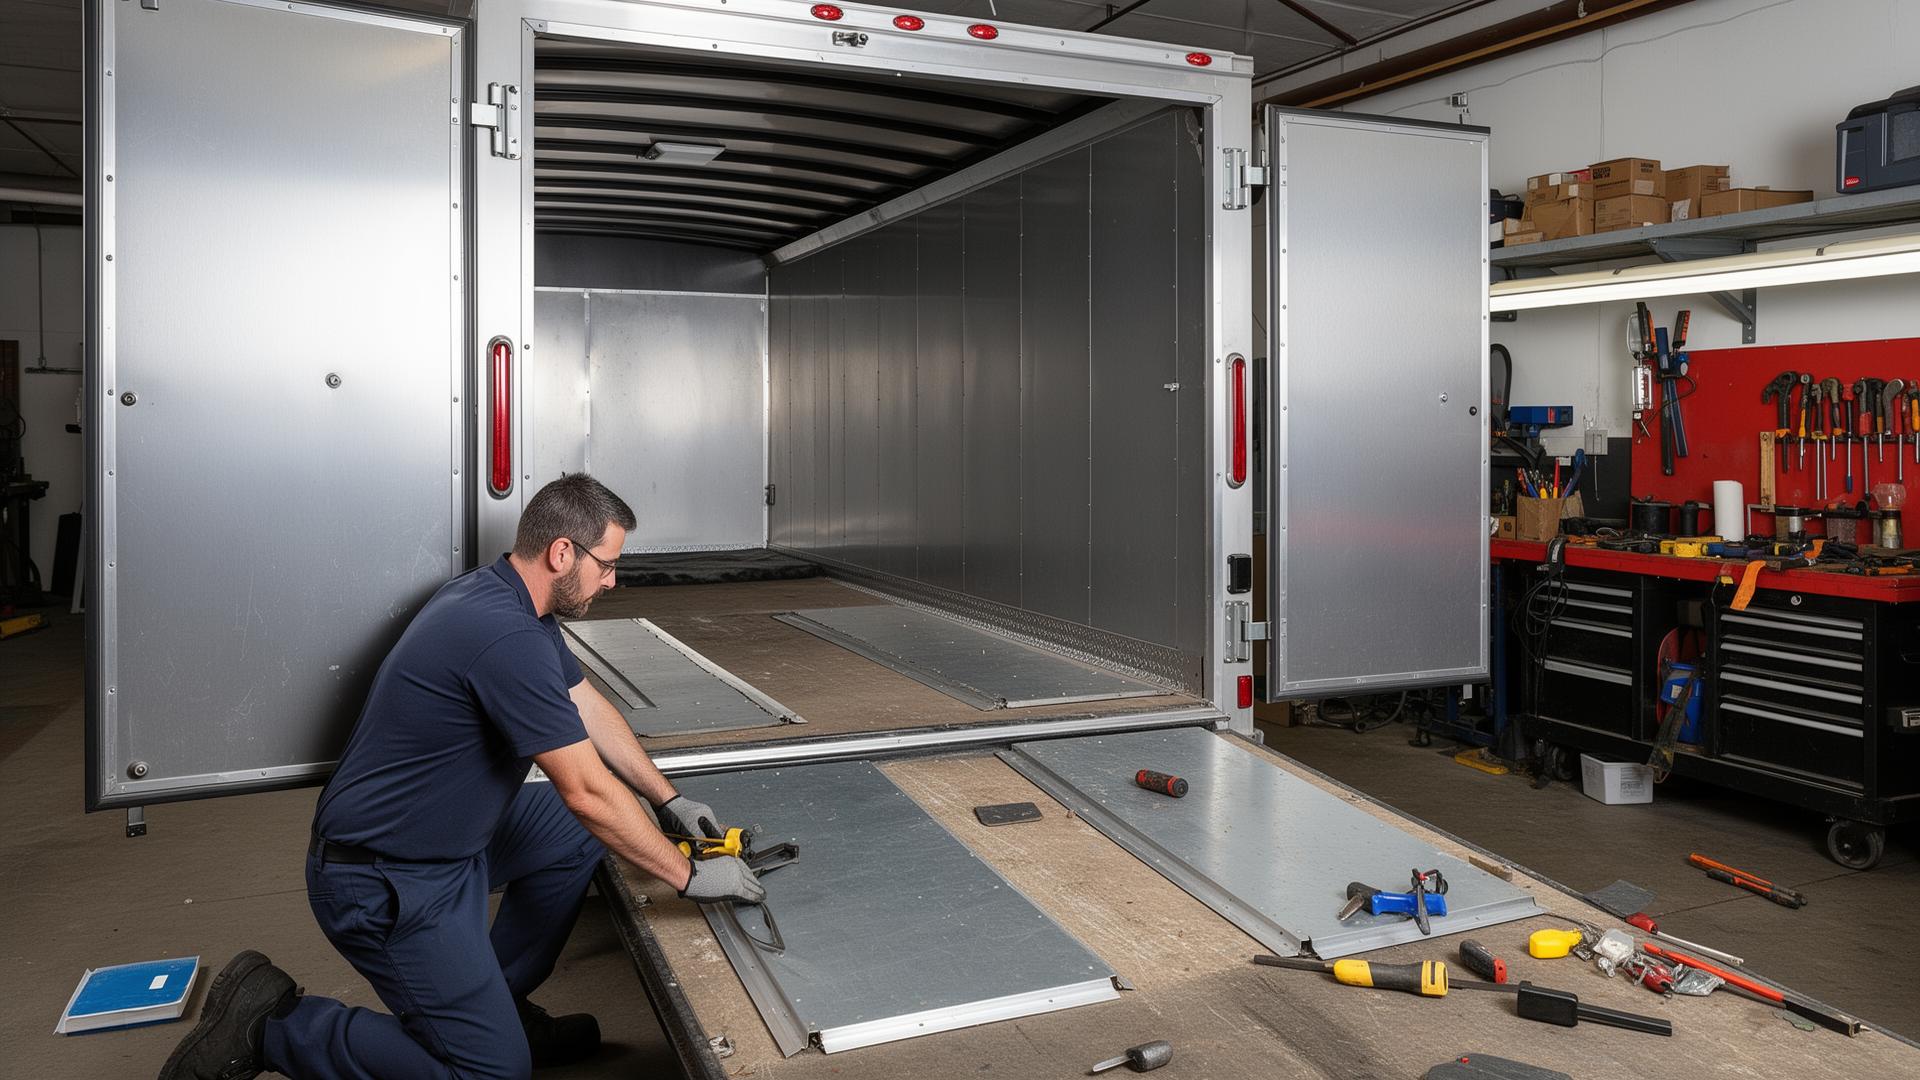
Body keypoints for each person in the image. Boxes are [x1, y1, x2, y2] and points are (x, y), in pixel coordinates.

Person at [160, 473, 765, 1080]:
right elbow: (586, 791)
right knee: (491, 1074)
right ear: (562, 553)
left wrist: (668, 800)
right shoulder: (502, 633)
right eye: (607, 564)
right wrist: (686, 876)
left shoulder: (509, 600)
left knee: (576, 833)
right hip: (382, 880)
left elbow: (586, 704)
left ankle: (498, 1006)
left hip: (446, 844)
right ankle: (272, 1029)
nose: (613, 579)